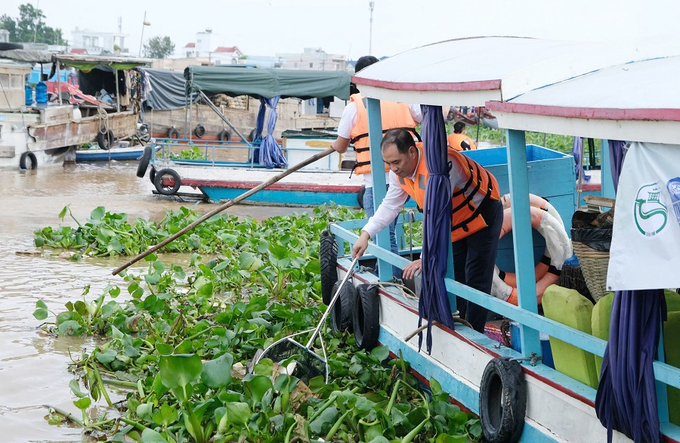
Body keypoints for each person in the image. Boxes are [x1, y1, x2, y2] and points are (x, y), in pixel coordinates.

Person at [352, 128, 503, 332]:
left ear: (412, 153)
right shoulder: (399, 174)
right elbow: (390, 205)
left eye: (396, 162)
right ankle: (459, 322)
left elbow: (436, 216)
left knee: (476, 275)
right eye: (388, 164)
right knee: (456, 272)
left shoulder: (440, 169)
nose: (393, 169)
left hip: (481, 212)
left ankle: (474, 332)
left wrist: (425, 256)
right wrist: (366, 234)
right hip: (453, 221)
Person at [331, 55, 422, 277]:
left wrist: (334, 145)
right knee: (389, 231)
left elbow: (341, 146)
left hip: (375, 181)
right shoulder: (402, 98)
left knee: (385, 237)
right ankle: (389, 275)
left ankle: (389, 280)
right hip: (408, 177)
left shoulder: (354, 107)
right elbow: (422, 117)